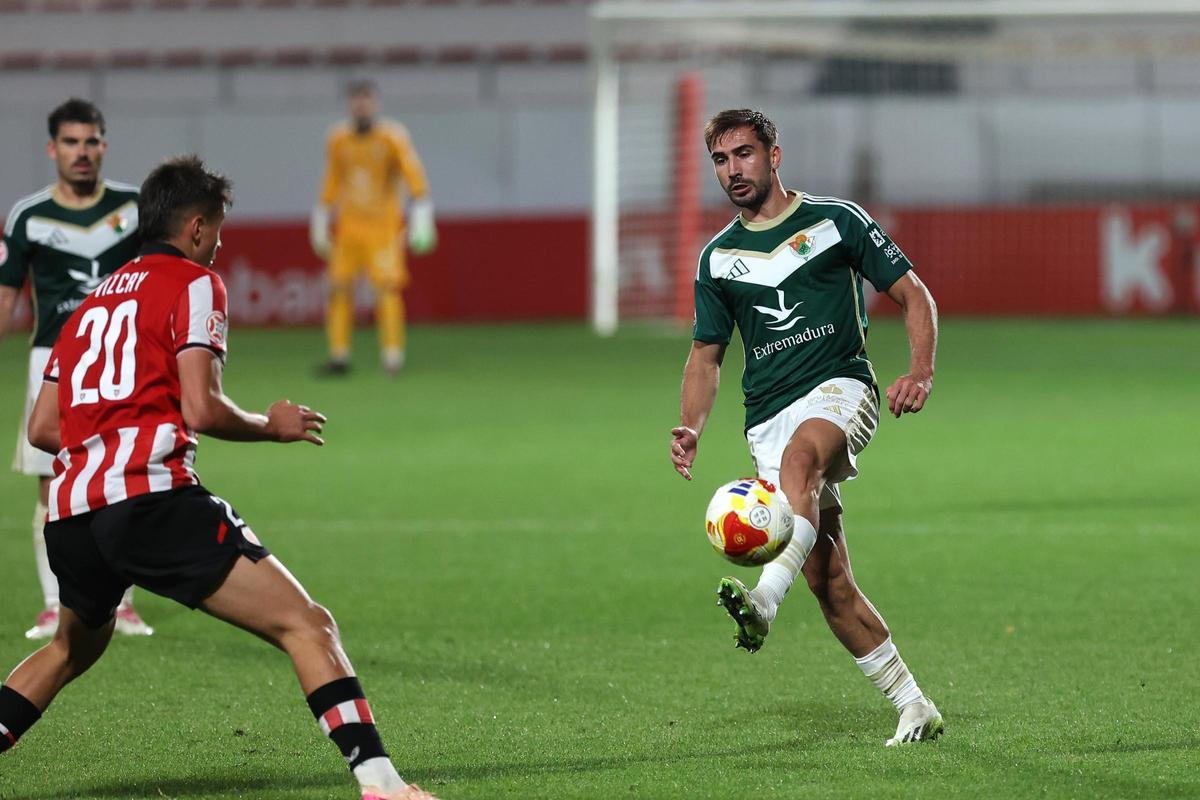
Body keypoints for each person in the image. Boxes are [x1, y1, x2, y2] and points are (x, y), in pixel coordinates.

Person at [0, 155, 438, 800]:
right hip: (151, 504)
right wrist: (271, 424)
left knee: (69, 649)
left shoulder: (87, 305)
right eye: (219, 231)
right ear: (197, 228)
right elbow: (200, 408)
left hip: (72, 517)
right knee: (307, 625)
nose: (220, 244)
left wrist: (110, 434)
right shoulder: (194, 283)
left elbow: (42, 428)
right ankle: (384, 785)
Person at [669, 109, 944, 747]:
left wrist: (920, 372)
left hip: (841, 389)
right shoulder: (716, 260)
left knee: (801, 463)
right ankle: (913, 704)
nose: (732, 170)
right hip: (765, 416)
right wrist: (690, 427)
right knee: (828, 582)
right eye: (720, 160)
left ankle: (762, 603)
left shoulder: (835, 221)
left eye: (743, 154)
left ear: (774, 155)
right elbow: (706, 356)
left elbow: (915, 295)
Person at [0, 98, 152, 639]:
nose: (82, 152)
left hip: (123, 361)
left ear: (104, 145)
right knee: (51, 483)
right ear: (52, 149)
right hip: (53, 365)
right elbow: (7, 295)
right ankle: (51, 605)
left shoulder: (138, 207)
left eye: (91, 141)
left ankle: (124, 605)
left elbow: (164, 278)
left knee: (127, 478)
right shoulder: (29, 216)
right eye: (71, 142)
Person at [310, 78, 436, 376]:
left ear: (375, 103)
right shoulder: (338, 139)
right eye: (356, 100)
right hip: (349, 228)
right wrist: (320, 216)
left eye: (366, 99)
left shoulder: (392, 138)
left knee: (387, 290)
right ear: (350, 104)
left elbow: (413, 176)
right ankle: (338, 356)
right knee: (339, 288)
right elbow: (331, 179)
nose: (361, 105)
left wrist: (422, 212)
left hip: (383, 230)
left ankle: (392, 356)